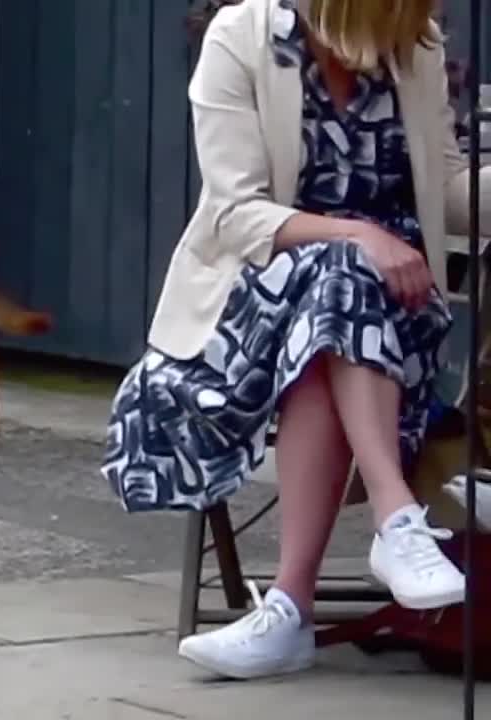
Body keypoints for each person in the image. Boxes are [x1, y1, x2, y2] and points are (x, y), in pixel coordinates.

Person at [101, 0, 487, 679]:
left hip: (396, 329)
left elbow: (447, 182)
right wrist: (360, 235)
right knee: (337, 281)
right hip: (250, 316)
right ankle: (396, 522)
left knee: (332, 315)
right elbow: (234, 212)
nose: (425, 18)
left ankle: (289, 611)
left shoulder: (413, 51)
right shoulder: (243, 41)